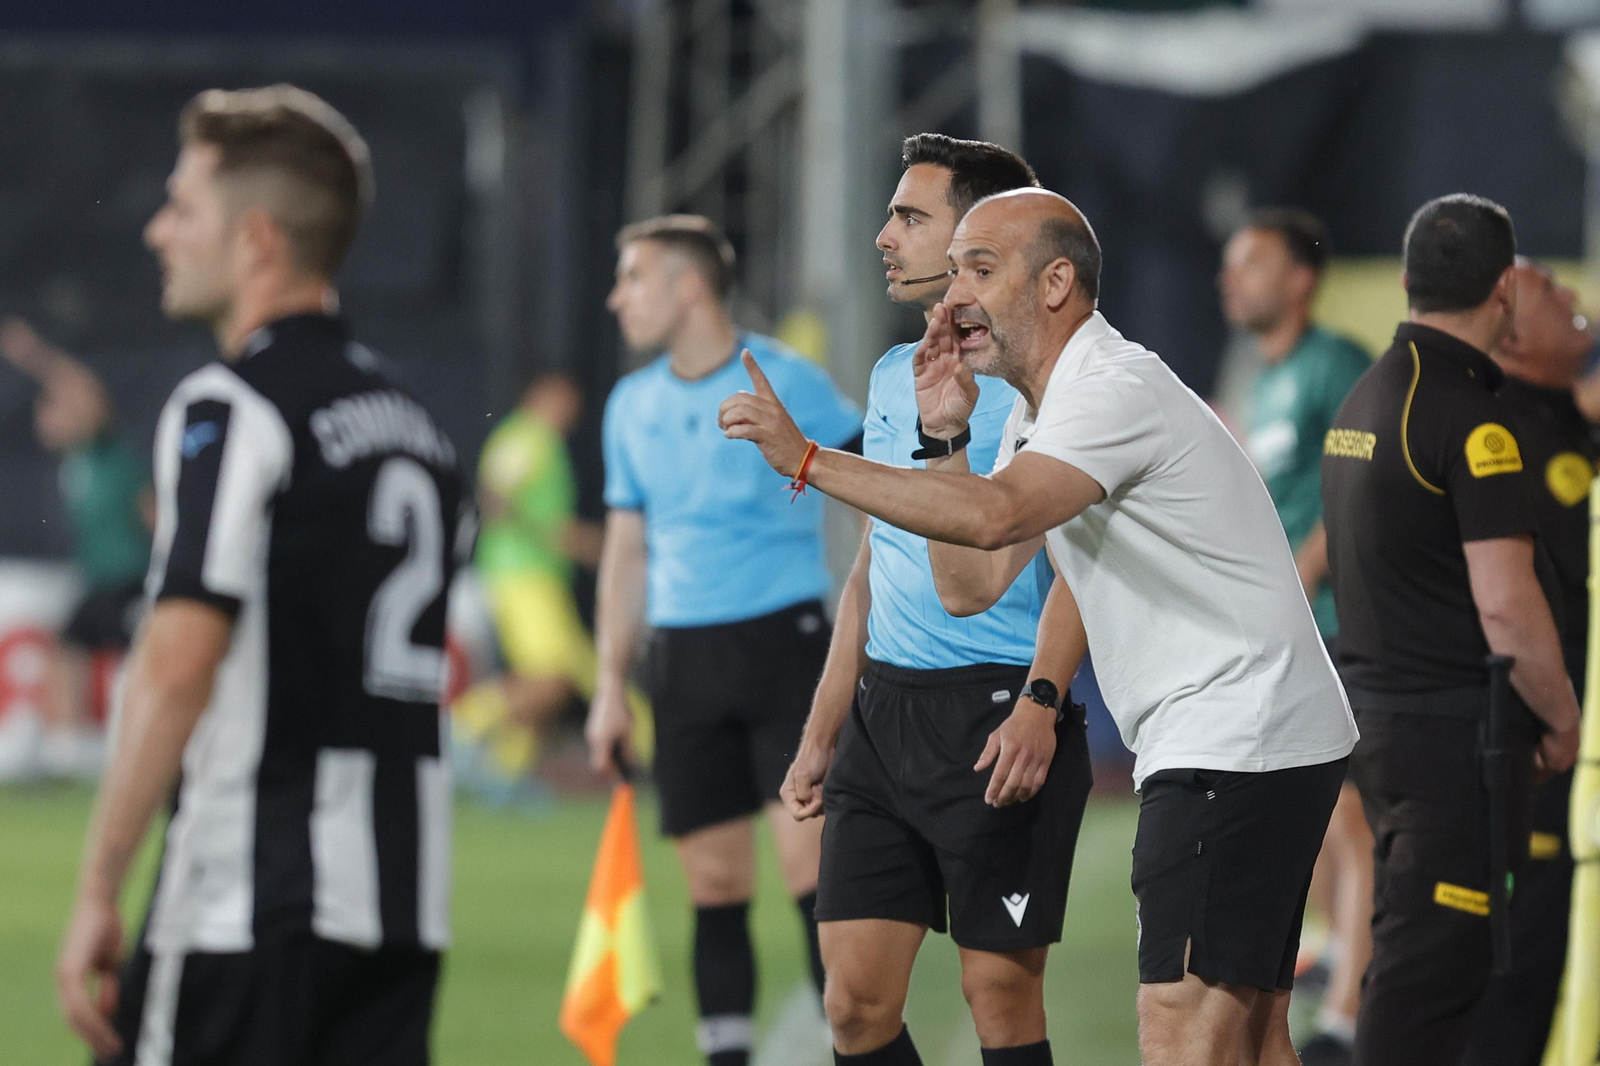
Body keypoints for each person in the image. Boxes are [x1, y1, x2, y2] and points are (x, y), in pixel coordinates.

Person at [720, 187, 1357, 1066]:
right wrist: (944, 440)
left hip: (1234, 737)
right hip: (1254, 732)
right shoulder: (1039, 412)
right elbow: (970, 585)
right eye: (956, 272)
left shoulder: (1108, 391)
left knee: (1182, 1030)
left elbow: (995, 518)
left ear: (1056, 284)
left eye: (980, 269)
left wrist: (809, 461)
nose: (954, 296)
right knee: (1250, 1037)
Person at [55, 85, 461, 1065]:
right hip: (401, 908)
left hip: (248, 898)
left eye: (181, 206)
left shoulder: (230, 407)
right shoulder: (420, 429)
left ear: (255, 240)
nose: (157, 231)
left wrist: (100, 885)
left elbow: (177, 662)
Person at [786, 135, 1092, 1066]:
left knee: (1000, 1000)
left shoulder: (1051, 386)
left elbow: (1088, 568)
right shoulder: (896, 374)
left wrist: (1041, 702)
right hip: (883, 718)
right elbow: (874, 563)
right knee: (853, 1007)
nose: (885, 237)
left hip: (995, 712)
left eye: (910, 218)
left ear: (977, 242)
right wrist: (824, 729)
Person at [586, 214, 863, 1066]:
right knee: (714, 886)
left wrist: (885, 608)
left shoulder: (788, 378)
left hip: (786, 649)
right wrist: (608, 686)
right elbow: (626, 550)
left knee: (811, 875)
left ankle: (857, 1047)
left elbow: (876, 483)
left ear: (688, 286)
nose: (617, 298)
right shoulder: (630, 405)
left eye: (633, 278)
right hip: (683, 661)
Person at [1320, 195, 1581, 1066]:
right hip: (1448, 747)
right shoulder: (1469, 418)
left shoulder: (1367, 397)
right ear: (1502, 291)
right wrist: (1562, 716)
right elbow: (1505, 604)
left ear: (1407, 282)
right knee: (1425, 987)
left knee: (1413, 966)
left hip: (1381, 728)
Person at [1218, 210, 1373, 1066]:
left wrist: (1304, 573)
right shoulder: (1263, 379)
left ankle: (1348, 1016)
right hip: (1282, 631)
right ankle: (1338, 953)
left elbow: (1358, 484)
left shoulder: (1334, 364)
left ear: (1301, 279)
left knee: (1347, 817)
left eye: (1251, 262)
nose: (1230, 278)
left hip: (1336, 626)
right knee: (1307, 816)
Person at [1460, 260, 1596, 1066]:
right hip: (1541, 746)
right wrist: (1555, 722)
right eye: (1550, 290)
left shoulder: (1564, 416)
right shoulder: (1497, 437)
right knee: (1522, 970)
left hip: (1570, 744)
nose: (1574, 297)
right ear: (1511, 334)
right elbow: (1512, 607)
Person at [452, 371, 648, 801]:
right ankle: (459, 724)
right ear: (541, 394)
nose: (570, 414)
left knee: (560, 679)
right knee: (554, 678)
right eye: (564, 401)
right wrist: (561, 537)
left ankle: (505, 773)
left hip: (536, 577)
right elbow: (495, 498)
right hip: (521, 578)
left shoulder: (541, 442)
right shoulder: (527, 438)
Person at [0, 318, 152, 778]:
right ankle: (69, 753)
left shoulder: (105, 448)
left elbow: (82, 389)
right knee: (66, 651)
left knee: (139, 660)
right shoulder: (76, 463)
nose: (43, 424)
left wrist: (33, 354)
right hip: (101, 582)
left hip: (131, 577)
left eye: (49, 413)